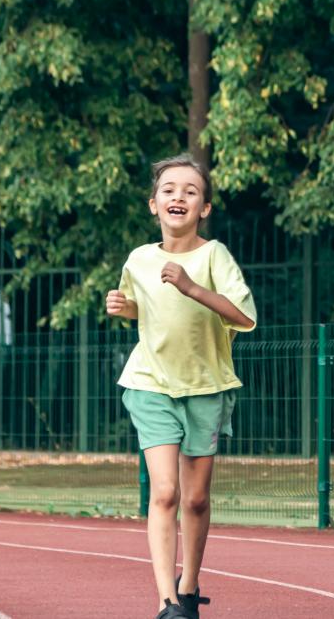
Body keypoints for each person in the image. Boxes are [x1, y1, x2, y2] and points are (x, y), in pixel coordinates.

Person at [106, 154, 257, 619]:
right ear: (154, 204)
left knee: (195, 498)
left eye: (190, 191)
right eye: (169, 190)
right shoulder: (139, 259)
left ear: (204, 208)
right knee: (165, 492)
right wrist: (123, 306)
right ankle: (168, 603)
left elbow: (244, 316)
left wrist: (192, 287)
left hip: (206, 386)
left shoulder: (214, 256)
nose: (179, 197)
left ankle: (188, 584)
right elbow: (144, 309)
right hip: (151, 383)